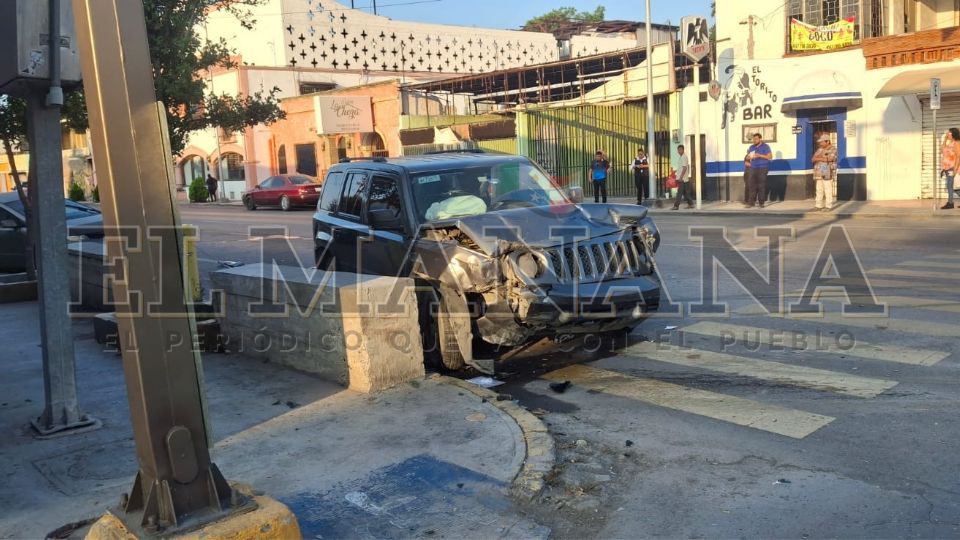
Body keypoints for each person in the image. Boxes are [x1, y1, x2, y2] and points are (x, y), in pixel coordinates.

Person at [744, 133, 772, 208]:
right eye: (754, 139)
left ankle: (761, 203)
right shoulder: (751, 147)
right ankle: (751, 203)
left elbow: (770, 156)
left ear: (760, 139)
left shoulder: (765, 146)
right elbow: (748, 158)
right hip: (753, 168)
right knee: (751, 186)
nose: (754, 140)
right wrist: (748, 157)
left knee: (761, 186)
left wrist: (759, 155)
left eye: (756, 139)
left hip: (762, 168)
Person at [811, 134, 838, 211]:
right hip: (818, 171)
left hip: (827, 170)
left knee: (827, 189)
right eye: (820, 142)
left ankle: (828, 206)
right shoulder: (819, 149)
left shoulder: (833, 149)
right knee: (819, 189)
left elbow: (830, 159)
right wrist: (822, 158)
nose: (820, 143)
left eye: (822, 142)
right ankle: (818, 205)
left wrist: (819, 158)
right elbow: (813, 159)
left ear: (827, 141)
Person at [940, 127, 960, 210]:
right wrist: (945, 139)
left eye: (949, 133)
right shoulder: (950, 143)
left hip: (952, 168)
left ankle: (950, 203)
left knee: (951, 186)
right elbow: (942, 150)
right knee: (952, 186)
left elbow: (959, 156)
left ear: (953, 134)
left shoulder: (956, 143)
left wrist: (955, 169)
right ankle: (950, 203)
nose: (947, 134)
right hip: (947, 168)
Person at [671, 145, 694, 210]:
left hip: (683, 179)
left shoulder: (684, 157)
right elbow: (681, 168)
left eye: (680, 150)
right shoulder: (681, 157)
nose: (679, 151)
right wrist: (676, 171)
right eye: (678, 150)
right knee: (686, 193)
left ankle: (676, 206)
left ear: (683, 150)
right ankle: (691, 204)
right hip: (684, 178)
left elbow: (684, 168)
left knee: (679, 193)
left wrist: (680, 177)